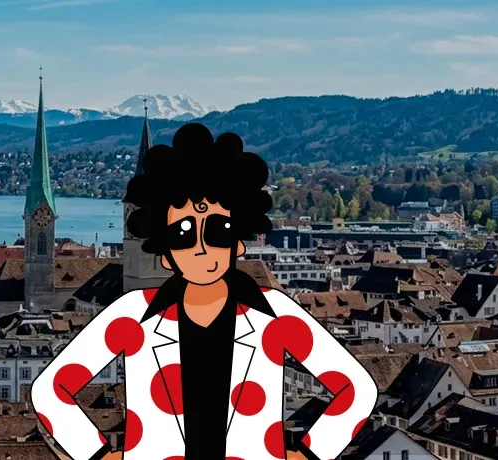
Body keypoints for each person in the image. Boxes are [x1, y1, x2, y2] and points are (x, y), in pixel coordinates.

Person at [30, 124, 374, 460]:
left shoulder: (274, 314)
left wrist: (308, 453)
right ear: (165, 252)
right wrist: (100, 455)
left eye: (218, 230)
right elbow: (50, 391)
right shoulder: (132, 314)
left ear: (238, 243)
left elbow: (357, 389)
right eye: (182, 234)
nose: (201, 246)